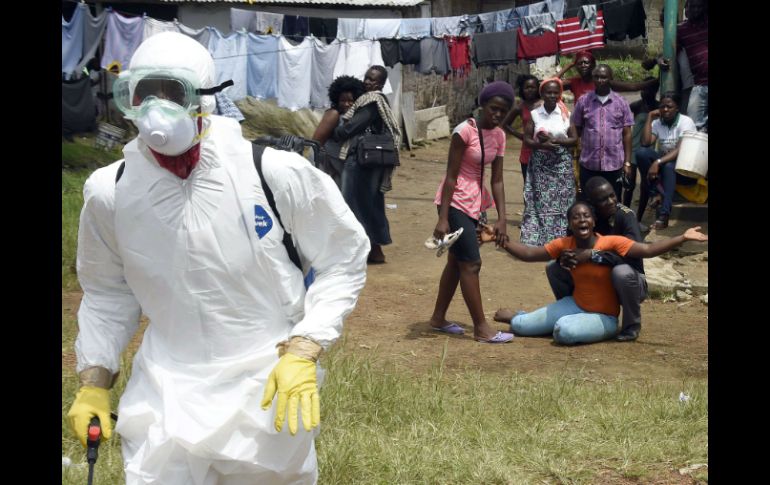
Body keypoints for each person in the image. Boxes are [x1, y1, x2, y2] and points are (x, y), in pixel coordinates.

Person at [66, 32, 370, 485]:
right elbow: (108, 293)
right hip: (166, 392)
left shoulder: (272, 173)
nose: (157, 109)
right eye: (144, 94)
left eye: (173, 93)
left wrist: (304, 348)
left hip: (264, 391)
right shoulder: (111, 192)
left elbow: (342, 259)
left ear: (206, 98)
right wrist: (95, 379)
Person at [486, 201, 707, 345]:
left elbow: (648, 250)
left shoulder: (611, 242)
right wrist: (500, 240)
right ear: (570, 224)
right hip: (575, 304)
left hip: (605, 317)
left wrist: (682, 238)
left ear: (593, 221)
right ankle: (523, 316)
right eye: (576, 217)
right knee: (521, 327)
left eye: (586, 216)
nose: (581, 220)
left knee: (563, 332)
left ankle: (582, 325)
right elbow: (528, 253)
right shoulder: (565, 243)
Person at [429, 81, 515, 343]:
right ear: (483, 105)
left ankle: (437, 318)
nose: (497, 115)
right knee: (472, 263)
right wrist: (443, 218)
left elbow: (497, 180)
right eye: (493, 108)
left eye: (503, 110)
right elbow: (451, 177)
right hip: (454, 202)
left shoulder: (499, 136)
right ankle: (481, 328)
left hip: (476, 204)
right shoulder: (464, 131)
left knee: (456, 262)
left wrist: (501, 218)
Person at [544, 177, 648, 341]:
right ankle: (574, 309)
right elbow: (570, 246)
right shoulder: (582, 217)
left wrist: (593, 255)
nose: (611, 201)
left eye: (612, 195)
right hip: (593, 279)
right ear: (591, 203)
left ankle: (631, 326)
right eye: (603, 199)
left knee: (621, 273)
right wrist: (565, 258)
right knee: (553, 268)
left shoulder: (625, 216)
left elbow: (632, 257)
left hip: (629, 280)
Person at [332, 66, 402, 264]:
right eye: (366, 78)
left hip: (361, 161)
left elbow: (353, 126)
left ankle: (364, 251)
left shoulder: (372, 101)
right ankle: (374, 250)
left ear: (380, 84)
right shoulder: (375, 101)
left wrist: (336, 132)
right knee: (370, 204)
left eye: (372, 80)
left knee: (353, 204)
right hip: (373, 161)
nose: (367, 82)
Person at [519, 78, 579, 246]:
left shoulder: (566, 114)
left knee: (564, 200)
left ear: (560, 94)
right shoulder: (535, 114)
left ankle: (562, 239)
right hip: (541, 165)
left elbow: (574, 139)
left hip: (561, 164)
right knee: (540, 201)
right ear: (542, 94)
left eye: (556, 92)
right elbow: (527, 140)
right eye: (548, 92)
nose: (552, 95)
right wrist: (541, 144)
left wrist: (555, 141)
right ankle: (541, 239)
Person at [635, 92, 698, 230]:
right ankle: (655, 193)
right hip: (664, 166)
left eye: (669, 106)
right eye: (662, 106)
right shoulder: (658, 123)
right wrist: (650, 117)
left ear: (677, 108)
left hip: (684, 170)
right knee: (641, 153)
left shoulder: (685, 122)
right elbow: (645, 143)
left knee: (669, 166)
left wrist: (657, 162)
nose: (665, 110)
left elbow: (680, 150)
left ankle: (664, 215)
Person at [571, 64, 634, 198]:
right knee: (588, 200)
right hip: (589, 164)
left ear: (610, 78)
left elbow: (627, 134)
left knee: (612, 201)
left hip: (614, 164)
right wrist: (575, 156)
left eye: (604, 77)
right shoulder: (583, 101)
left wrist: (627, 163)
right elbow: (576, 127)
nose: (600, 80)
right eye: (597, 77)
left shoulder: (621, 102)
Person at [311, 75, 366, 188]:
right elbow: (316, 143)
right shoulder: (334, 114)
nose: (346, 104)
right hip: (329, 166)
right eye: (343, 100)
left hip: (344, 165)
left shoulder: (357, 117)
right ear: (336, 99)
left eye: (351, 101)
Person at [556, 50, 659, 103]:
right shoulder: (574, 82)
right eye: (579, 63)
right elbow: (549, 83)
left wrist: (658, 80)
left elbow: (633, 87)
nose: (583, 65)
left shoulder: (602, 81)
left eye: (586, 63)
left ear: (593, 65)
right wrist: (569, 65)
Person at [623, 77, 659, 216]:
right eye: (643, 88)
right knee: (629, 186)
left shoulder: (658, 106)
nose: (644, 91)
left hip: (648, 151)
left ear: (655, 90)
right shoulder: (636, 106)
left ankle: (638, 219)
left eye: (648, 89)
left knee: (645, 186)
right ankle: (625, 216)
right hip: (633, 150)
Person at [501, 74, 541, 184]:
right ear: (522, 90)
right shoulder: (520, 107)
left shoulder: (544, 104)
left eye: (532, 87)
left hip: (545, 151)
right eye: (526, 88)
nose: (529, 90)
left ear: (538, 88)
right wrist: (521, 136)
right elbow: (505, 124)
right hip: (527, 152)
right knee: (529, 186)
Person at [677, 0, 708, 132]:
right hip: (700, 84)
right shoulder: (682, 30)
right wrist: (661, 60)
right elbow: (671, 51)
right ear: (687, 8)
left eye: (699, 6)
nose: (696, 10)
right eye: (692, 6)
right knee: (692, 126)